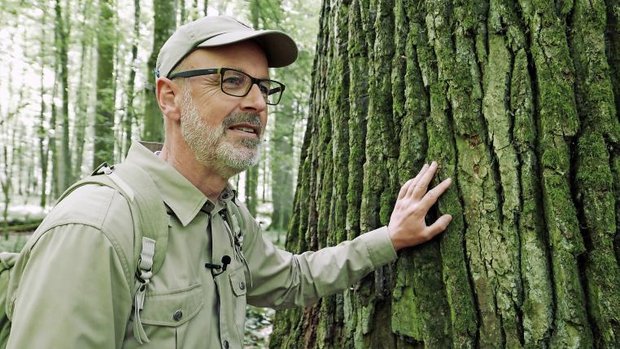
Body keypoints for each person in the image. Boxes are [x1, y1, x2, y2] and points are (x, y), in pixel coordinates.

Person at [5, 15, 452, 348]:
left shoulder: (225, 214)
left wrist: (389, 239)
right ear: (169, 97)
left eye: (263, 87)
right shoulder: (98, 229)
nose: (258, 102)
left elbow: (292, 280)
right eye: (232, 81)